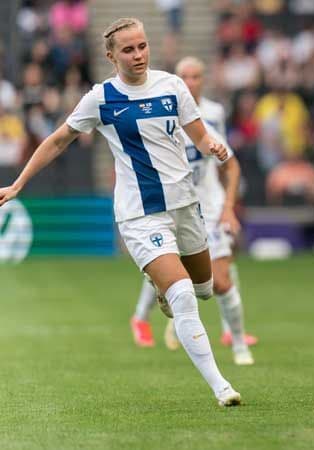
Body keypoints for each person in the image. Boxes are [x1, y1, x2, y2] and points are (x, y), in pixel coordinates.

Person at [0, 18, 241, 406]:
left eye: (142, 46)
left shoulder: (172, 86)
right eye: (128, 50)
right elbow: (60, 139)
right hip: (140, 215)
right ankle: (221, 386)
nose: (138, 55)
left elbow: (197, 132)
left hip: (185, 205)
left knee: (204, 289)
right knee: (184, 296)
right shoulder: (101, 98)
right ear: (111, 56)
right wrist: (18, 184)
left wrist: (211, 142)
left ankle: (161, 288)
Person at [130, 56, 258, 366]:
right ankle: (143, 314)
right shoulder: (157, 119)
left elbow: (231, 164)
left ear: (203, 80)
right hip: (174, 207)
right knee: (172, 276)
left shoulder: (211, 118)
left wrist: (228, 208)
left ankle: (238, 342)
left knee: (220, 282)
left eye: (195, 77)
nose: (189, 83)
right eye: (183, 77)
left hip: (210, 209)